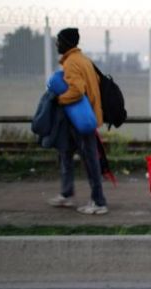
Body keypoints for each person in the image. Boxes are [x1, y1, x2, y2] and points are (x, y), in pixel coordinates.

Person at [47, 27, 108, 215]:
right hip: (83, 116)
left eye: (59, 40)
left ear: (66, 43)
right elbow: (96, 81)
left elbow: (77, 90)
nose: (56, 44)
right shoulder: (83, 60)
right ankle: (66, 194)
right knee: (65, 153)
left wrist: (59, 99)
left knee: (90, 160)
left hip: (81, 120)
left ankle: (99, 202)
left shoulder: (72, 62)